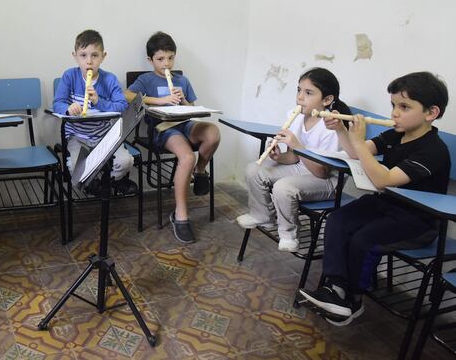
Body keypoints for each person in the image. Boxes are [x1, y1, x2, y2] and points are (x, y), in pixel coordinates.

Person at [299, 72, 450, 326]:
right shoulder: (395, 135)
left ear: (431, 112)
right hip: (386, 205)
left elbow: (383, 179)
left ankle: (354, 300)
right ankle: (335, 289)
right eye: (393, 105)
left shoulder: (433, 150)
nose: (394, 113)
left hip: (418, 220)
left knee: (364, 239)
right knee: (338, 220)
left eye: (404, 107)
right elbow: (354, 153)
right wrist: (342, 132)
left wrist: (358, 142)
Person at [235, 68, 351, 252]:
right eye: (299, 90)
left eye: (308, 93)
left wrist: (297, 145)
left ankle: (289, 234)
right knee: (253, 170)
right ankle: (263, 215)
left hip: (326, 181)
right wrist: (280, 157)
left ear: (327, 100)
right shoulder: (295, 116)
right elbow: (294, 158)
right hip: (301, 169)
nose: (300, 97)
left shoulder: (330, 125)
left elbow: (321, 172)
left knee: (283, 187)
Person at [125, 31, 220, 244]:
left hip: (185, 123)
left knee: (213, 133)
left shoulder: (182, 79)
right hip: (163, 129)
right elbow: (127, 95)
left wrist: (183, 100)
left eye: (170, 58)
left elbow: (192, 109)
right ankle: (181, 215)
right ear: (151, 60)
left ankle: (201, 170)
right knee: (186, 157)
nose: (166, 63)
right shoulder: (145, 79)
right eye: (160, 59)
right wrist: (160, 101)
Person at [53, 29, 136, 195]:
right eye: (83, 55)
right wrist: (68, 109)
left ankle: (111, 181)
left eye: (95, 55)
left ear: (103, 56)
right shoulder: (69, 76)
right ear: (75, 56)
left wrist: (99, 102)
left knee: (126, 162)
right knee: (75, 169)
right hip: (77, 137)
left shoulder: (109, 79)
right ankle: (94, 185)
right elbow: (57, 104)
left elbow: (122, 106)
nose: (89, 61)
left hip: (105, 136)